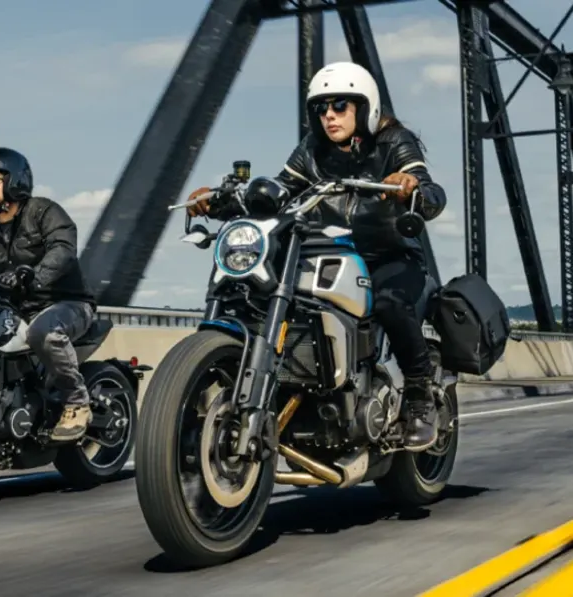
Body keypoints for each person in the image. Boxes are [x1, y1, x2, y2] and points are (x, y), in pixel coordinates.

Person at [185, 62, 448, 452]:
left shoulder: (394, 141)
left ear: (364, 107)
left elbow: (429, 191)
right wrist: (219, 202)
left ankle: (420, 396)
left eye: (340, 105)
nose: (329, 115)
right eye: (322, 107)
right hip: (326, 253)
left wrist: (410, 188)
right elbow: (279, 191)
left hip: (388, 254)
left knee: (391, 303)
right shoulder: (312, 149)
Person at [0, 147, 97, 441]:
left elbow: (63, 250)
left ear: (14, 181)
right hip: (15, 307)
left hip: (66, 303)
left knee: (43, 333)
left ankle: (76, 402)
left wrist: (33, 276)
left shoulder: (43, 211)